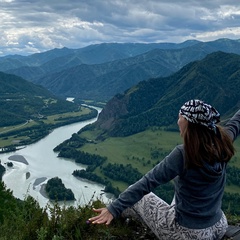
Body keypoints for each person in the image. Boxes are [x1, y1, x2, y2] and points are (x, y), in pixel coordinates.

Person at [88, 99, 240, 240]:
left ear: (187, 122)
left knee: (141, 198)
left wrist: (113, 208)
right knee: (177, 194)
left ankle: (114, 217)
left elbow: (147, 183)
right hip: (219, 225)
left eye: (180, 116)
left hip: (190, 234)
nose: (177, 120)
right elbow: (236, 122)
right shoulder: (223, 141)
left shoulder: (183, 154)